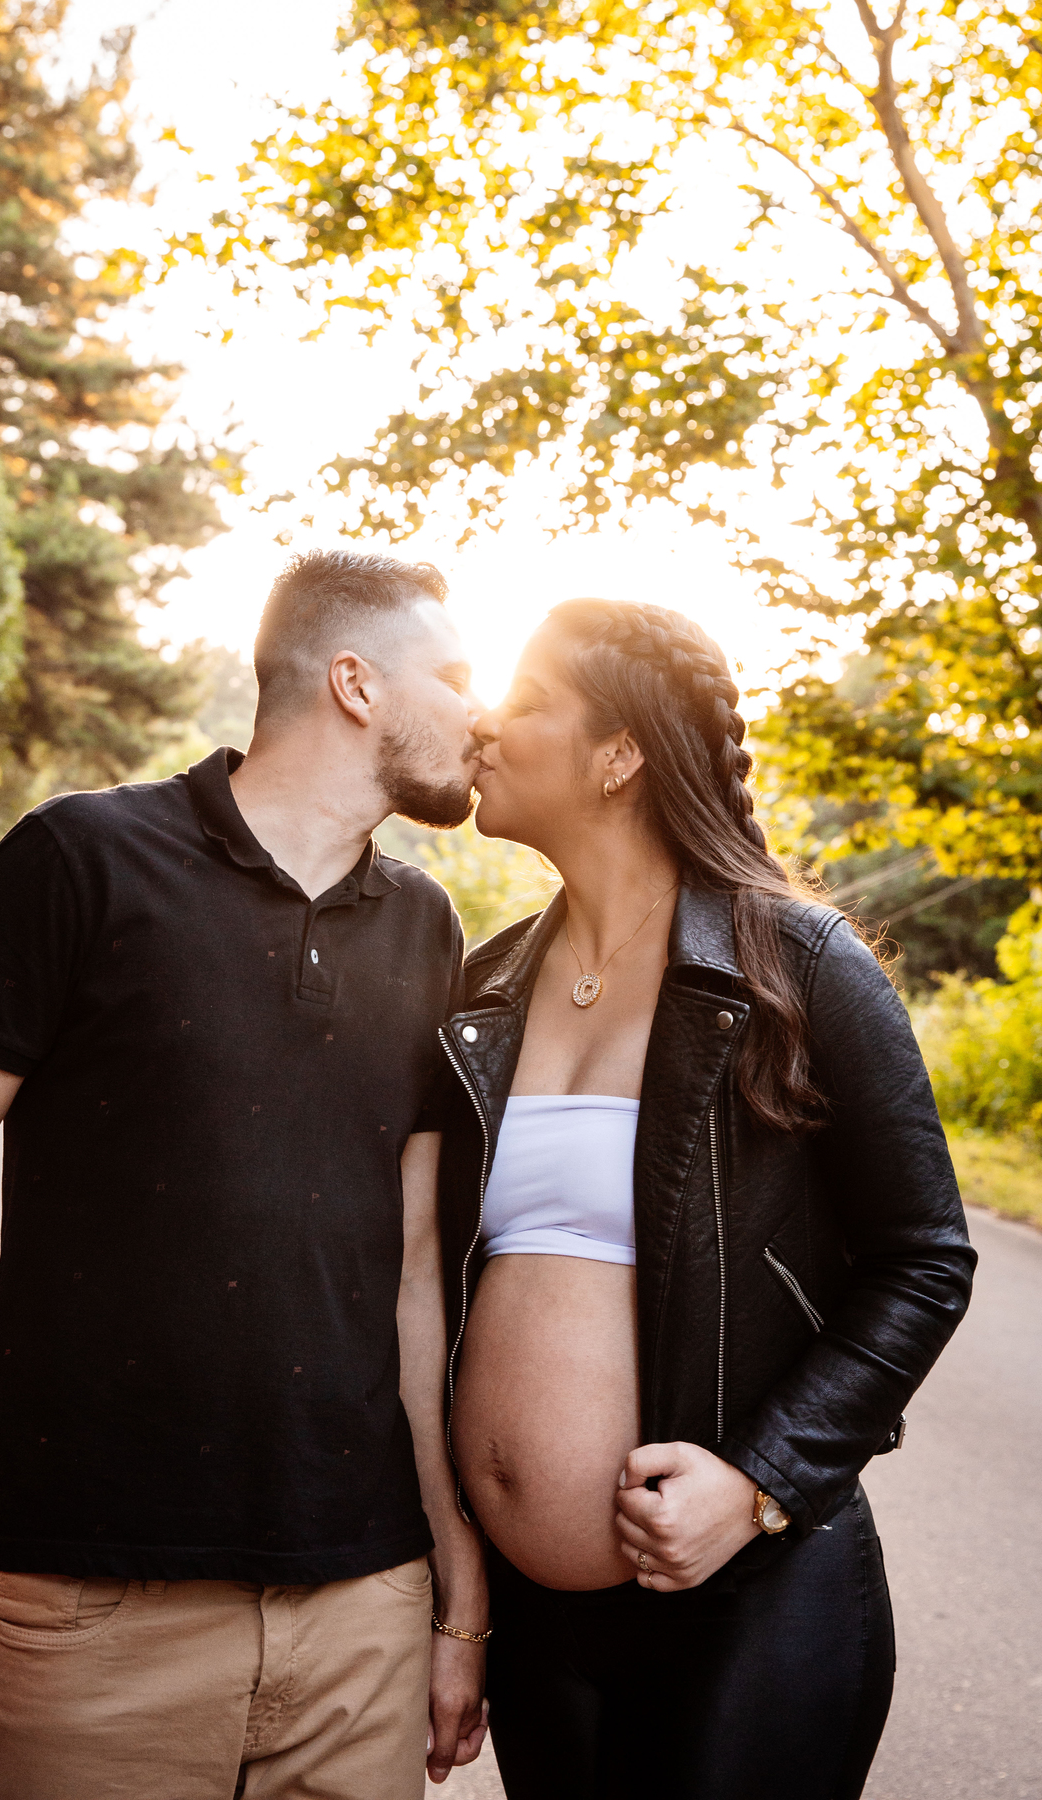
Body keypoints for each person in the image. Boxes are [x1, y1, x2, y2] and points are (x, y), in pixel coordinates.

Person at [0, 548, 491, 1798]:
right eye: (456, 677)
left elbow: (413, 1269)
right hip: (91, 1623)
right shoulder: (79, 862)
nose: (484, 710)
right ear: (354, 682)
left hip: (363, 1615)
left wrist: (454, 1584)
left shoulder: (427, 926)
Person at [436, 598, 976, 1800]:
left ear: (619, 754)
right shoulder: (489, 989)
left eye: (526, 706)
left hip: (749, 1606)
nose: (483, 725)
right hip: (537, 1629)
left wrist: (761, 1483)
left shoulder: (798, 964)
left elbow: (926, 1257)